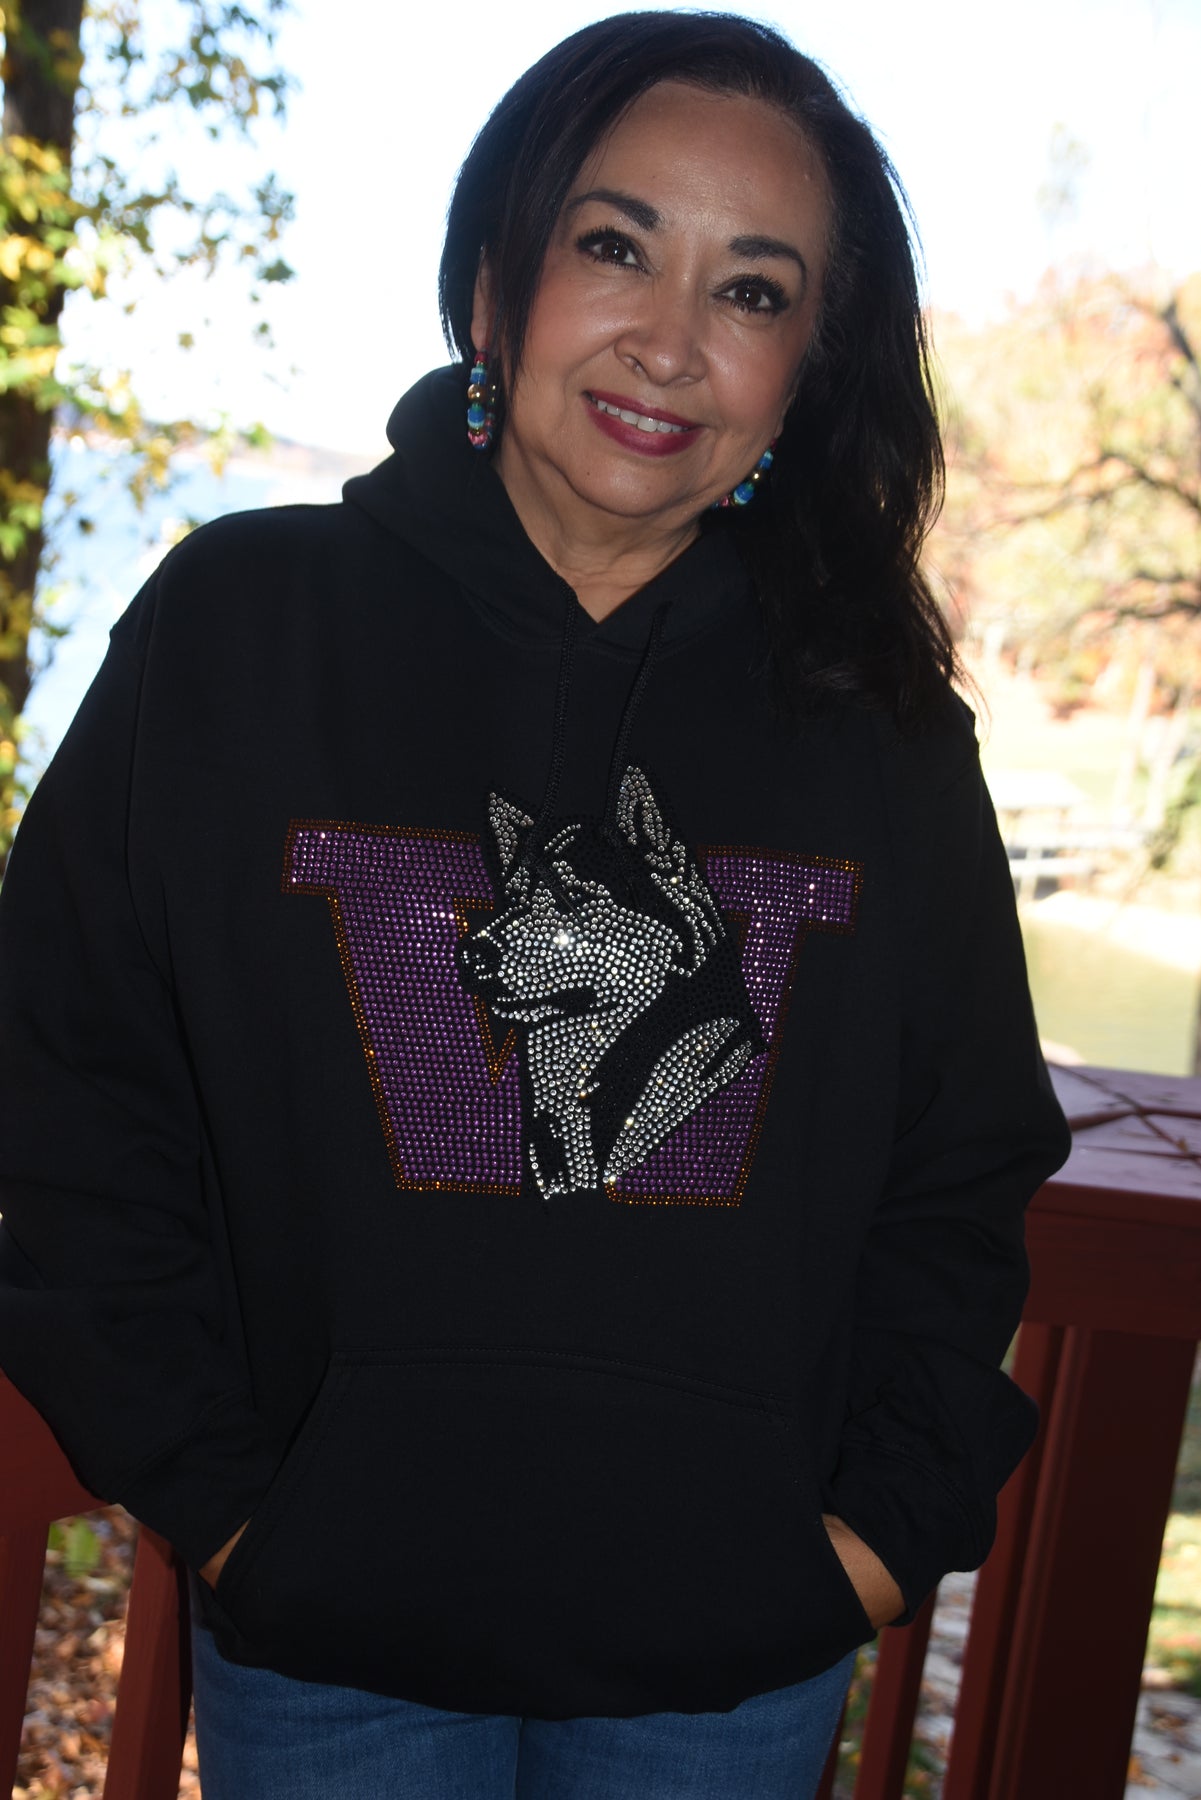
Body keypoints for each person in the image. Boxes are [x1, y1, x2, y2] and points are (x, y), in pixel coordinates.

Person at [0, 13, 1070, 1798]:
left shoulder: (873, 724)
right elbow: (67, 1086)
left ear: (805, 368)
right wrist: (228, 1501)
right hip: (324, 1646)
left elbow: (959, 1168)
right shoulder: (240, 630)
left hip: (725, 1673)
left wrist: (867, 1546)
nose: (669, 338)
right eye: (614, 245)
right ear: (496, 281)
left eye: (751, 289)